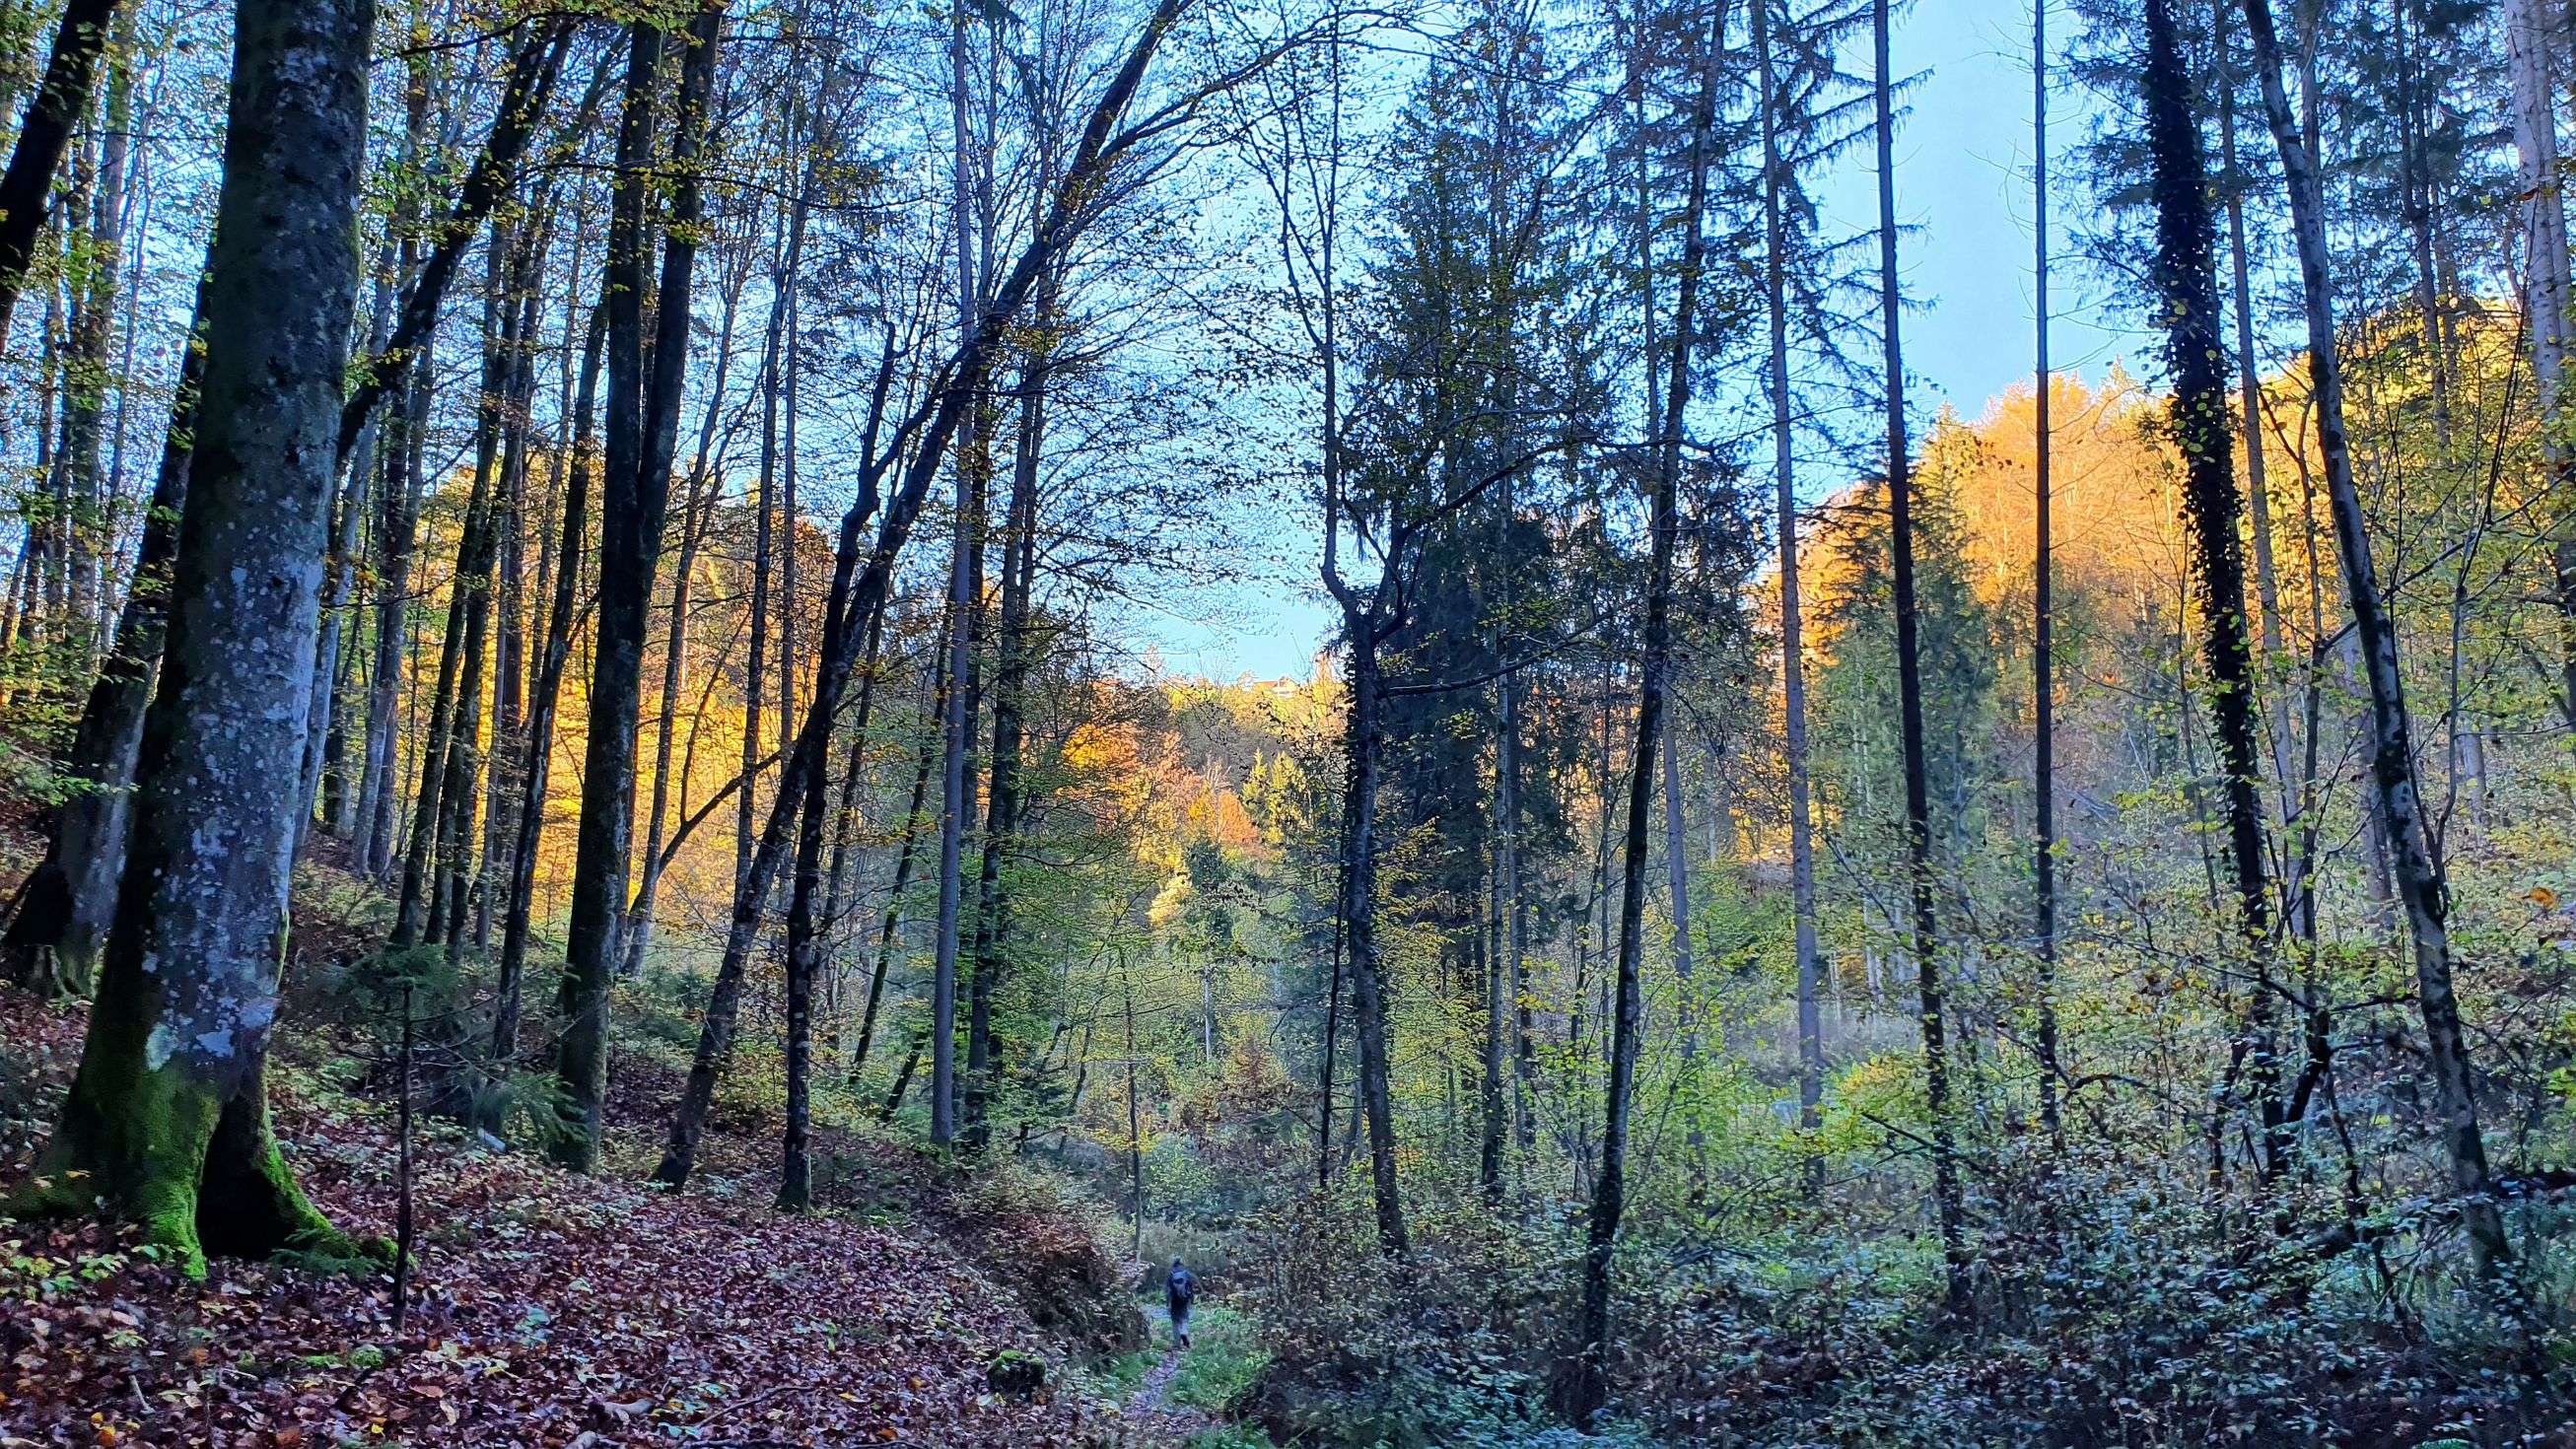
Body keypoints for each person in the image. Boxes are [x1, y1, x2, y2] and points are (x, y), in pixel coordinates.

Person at [1165, 1257, 1197, 1348]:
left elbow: (1168, 1291)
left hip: (1174, 1301)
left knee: (1175, 1322)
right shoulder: (1186, 1273)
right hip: (1184, 1300)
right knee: (1185, 1317)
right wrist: (1192, 1300)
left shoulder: (1171, 1274)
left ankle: (1177, 1344)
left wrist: (1168, 1304)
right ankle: (1183, 1331)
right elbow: (1191, 1288)